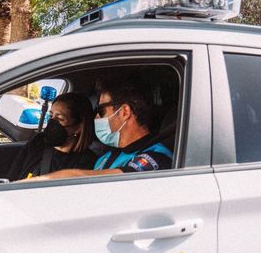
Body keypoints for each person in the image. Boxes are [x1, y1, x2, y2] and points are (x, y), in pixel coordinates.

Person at [30, 75, 172, 180]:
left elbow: (101, 179)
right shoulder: (105, 157)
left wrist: (39, 182)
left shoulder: (156, 158)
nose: (96, 118)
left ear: (124, 112)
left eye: (101, 111)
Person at [0, 92, 97, 185]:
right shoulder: (39, 142)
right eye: (51, 116)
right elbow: (13, 176)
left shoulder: (85, 163)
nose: (52, 123)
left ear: (78, 127)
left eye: (59, 119)